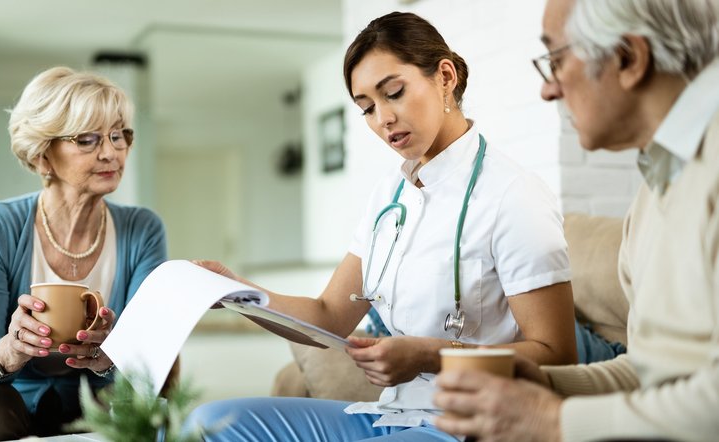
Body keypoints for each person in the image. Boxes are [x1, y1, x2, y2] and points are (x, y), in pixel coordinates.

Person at [186, 11, 578, 441]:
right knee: (210, 424)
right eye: (367, 108)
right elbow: (329, 316)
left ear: (444, 77)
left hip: (471, 425)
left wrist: (434, 356)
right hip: (394, 416)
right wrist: (236, 292)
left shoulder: (512, 194)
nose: (383, 119)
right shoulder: (389, 196)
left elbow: (556, 355)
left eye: (394, 93)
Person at [433, 0, 719, 440]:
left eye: (556, 61)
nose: (548, 90)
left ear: (628, 58)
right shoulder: (652, 196)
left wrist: (552, 421)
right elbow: (654, 374)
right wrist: (546, 385)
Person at [0, 67, 168, 441]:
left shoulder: (143, 229)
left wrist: (109, 357)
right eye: (88, 139)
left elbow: (143, 366)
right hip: (4, 413)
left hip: (96, 412)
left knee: (148, 415)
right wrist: (10, 350)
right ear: (45, 154)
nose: (111, 152)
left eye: (118, 135)